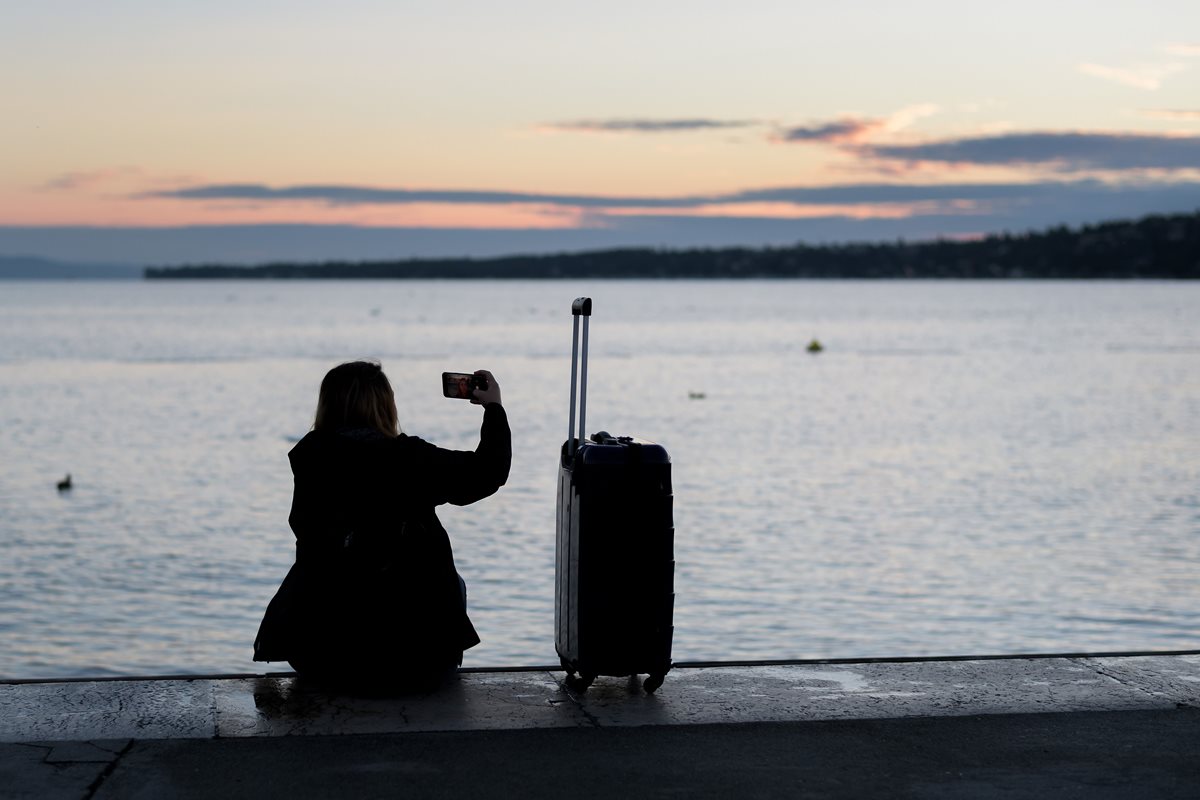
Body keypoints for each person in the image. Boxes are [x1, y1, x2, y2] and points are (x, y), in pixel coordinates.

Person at [253, 360, 510, 690]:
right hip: (416, 664)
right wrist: (494, 408)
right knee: (453, 582)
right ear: (385, 405)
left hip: (322, 662)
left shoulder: (311, 459)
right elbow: (488, 472)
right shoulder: (408, 458)